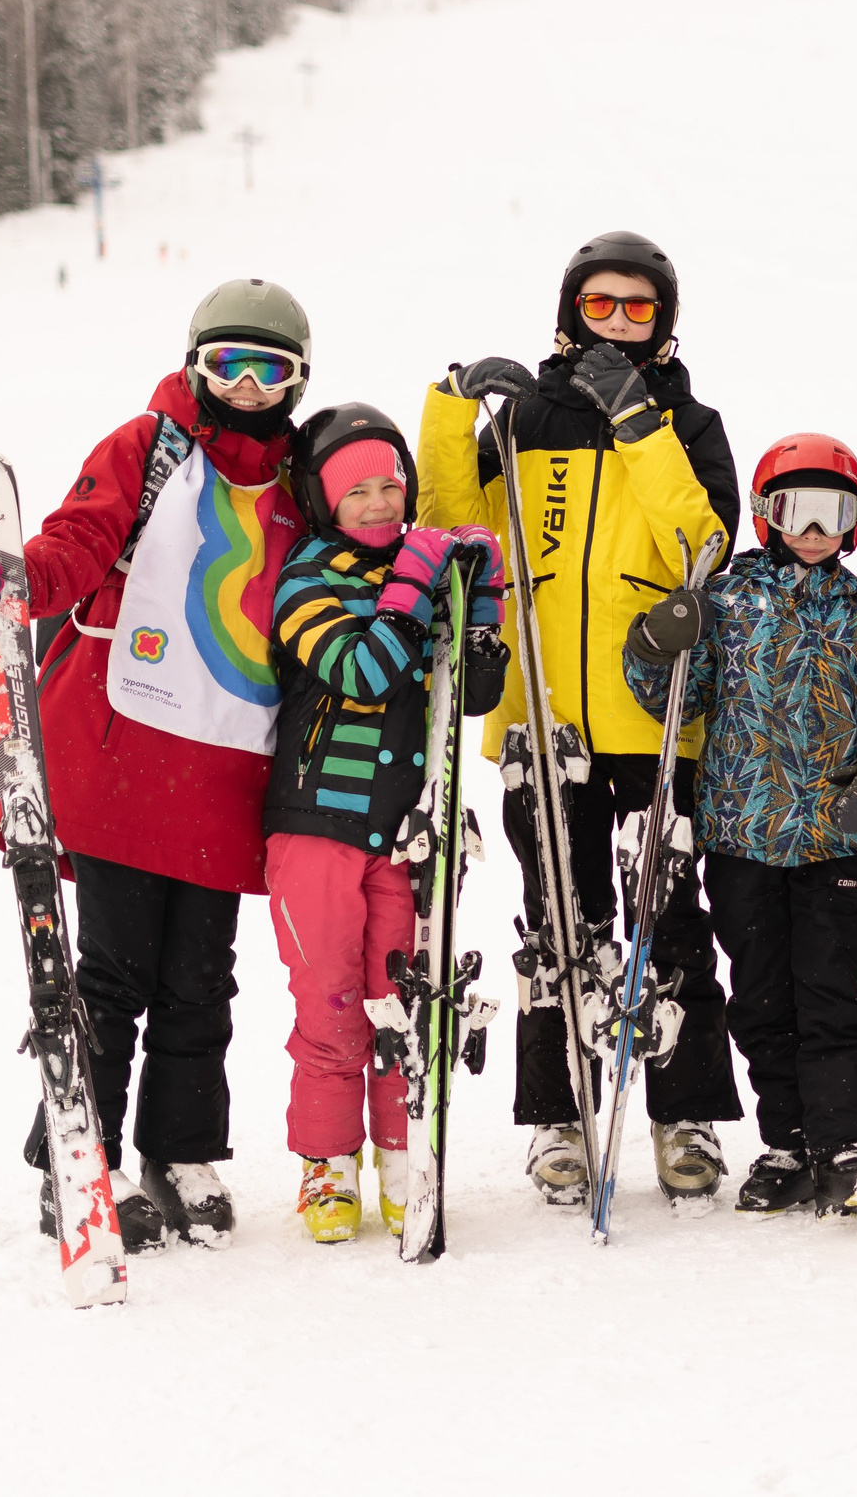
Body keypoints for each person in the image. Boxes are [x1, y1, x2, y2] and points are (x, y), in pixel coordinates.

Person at [0, 279, 311, 1250]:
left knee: (201, 979)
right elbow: (80, 540)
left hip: (229, 764)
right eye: (229, 364)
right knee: (113, 972)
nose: (249, 386)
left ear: (298, 380)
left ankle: (180, 1152)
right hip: (121, 754)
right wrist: (12, 581)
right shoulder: (148, 449)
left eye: (270, 369)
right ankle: (80, 1153)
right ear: (196, 365)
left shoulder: (301, 475)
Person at [415, 230, 746, 1209]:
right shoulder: (524, 419)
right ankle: (559, 1115)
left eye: (637, 308)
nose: (616, 323)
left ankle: (683, 1113)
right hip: (543, 713)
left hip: (653, 717)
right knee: (560, 916)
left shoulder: (689, 423)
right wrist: (452, 407)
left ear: (664, 322)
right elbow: (452, 527)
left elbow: (701, 545)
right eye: (599, 305)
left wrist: (638, 423)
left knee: (667, 914)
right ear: (568, 313)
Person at [624, 434, 857, 1217]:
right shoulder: (727, 603)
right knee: (760, 999)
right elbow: (673, 701)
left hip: (834, 840)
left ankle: (846, 1146)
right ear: (767, 514)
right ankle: (789, 1143)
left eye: (834, 512)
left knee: (831, 995)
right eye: (798, 510)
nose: (815, 530)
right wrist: (655, 644)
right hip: (742, 838)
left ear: (856, 520)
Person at [260, 404, 508, 1241]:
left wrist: (479, 601)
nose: (377, 502)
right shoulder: (306, 575)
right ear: (323, 499)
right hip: (318, 826)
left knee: (404, 1002)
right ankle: (328, 1162)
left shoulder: (420, 568)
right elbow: (363, 670)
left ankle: (405, 1156)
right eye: (355, 489)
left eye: (390, 486)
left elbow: (472, 693)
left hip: (408, 833)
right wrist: (415, 581)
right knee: (331, 1004)